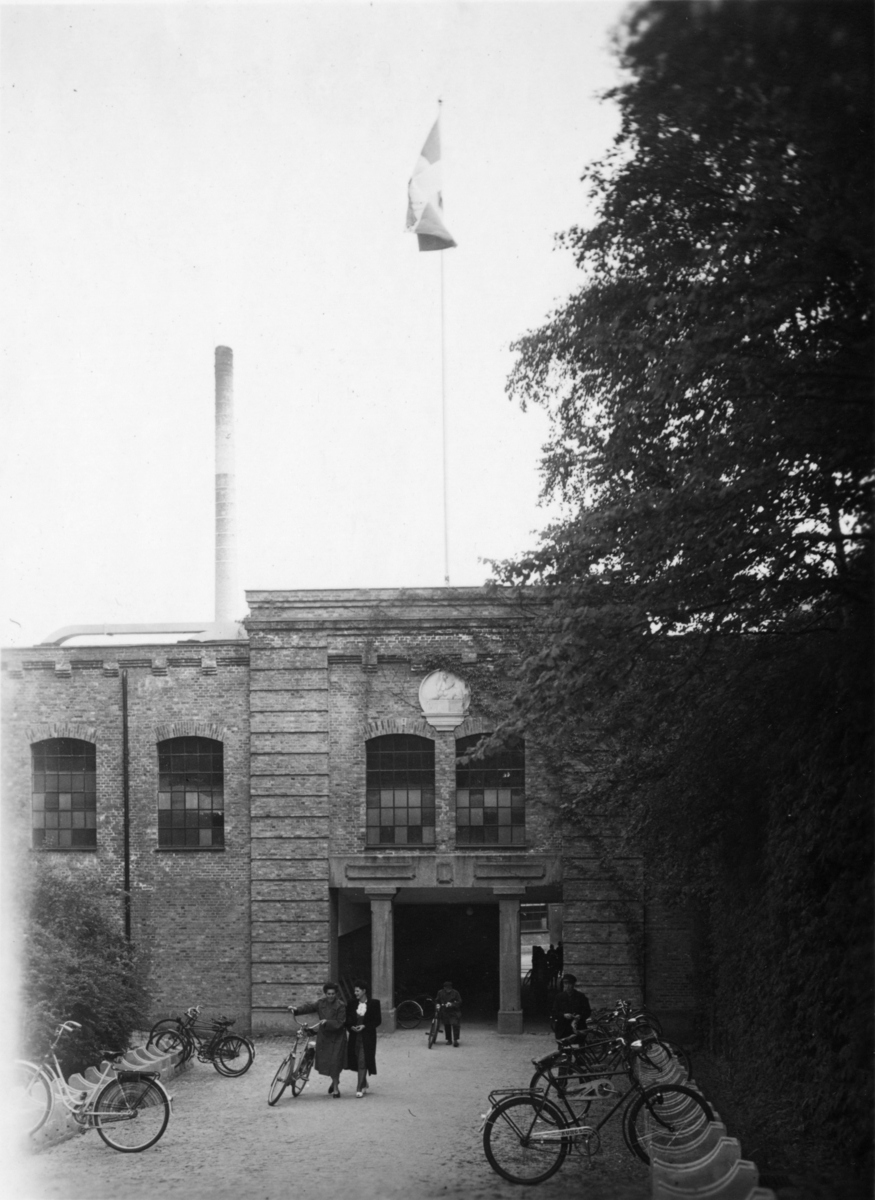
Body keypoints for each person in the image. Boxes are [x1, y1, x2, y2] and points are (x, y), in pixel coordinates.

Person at [290, 981, 348, 1098]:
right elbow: (309, 1007)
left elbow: (341, 1022)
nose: (330, 996)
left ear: (336, 994)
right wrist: (296, 1010)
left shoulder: (340, 1005)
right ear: (325, 994)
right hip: (325, 1036)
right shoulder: (321, 1003)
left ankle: (336, 1089)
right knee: (327, 1062)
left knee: (335, 1062)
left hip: (337, 1037)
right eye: (328, 994)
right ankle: (335, 1081)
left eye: (333, 994)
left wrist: (328, 1022)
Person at [345, 979, 381, 1098]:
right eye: (355, 991)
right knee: (357, 1059)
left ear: (364, 991)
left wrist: (365, 1026)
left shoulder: (374, 1003)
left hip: (367, 1037)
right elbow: (347, 1019)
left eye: (357, 991)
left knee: (363, 1060)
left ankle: (359, 1087)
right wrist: (351, 1027)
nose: (355, 993)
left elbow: (377, 1021)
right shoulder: (351, 1003)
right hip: (355, 1036)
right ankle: (364, 1082)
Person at [550, 973, 592, 1044]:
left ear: (573, 984)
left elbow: (587, 1011)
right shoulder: (559, 997)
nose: (567, 986)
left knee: (580, 1047)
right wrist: (564, 1015)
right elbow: (554, 1012)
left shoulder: (581, 996)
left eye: (570, 984)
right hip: (563, 1028)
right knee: (564, 1047)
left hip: (578, 1027)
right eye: (565, 984)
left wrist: (580, 1016)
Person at [434, 980, 462, 1046]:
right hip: (445, 1011)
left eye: (449, 988)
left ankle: (455, 1040)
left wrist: (452, 1004)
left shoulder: (455, 992)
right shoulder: (440, 992)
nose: (448, 990)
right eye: (447, 988)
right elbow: (437, 1000)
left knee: (455, 1024)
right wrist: (437, 1004)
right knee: (447, 1025)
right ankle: (449, 1039)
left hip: (454, 1011)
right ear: (444, 988)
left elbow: (459, 1001)